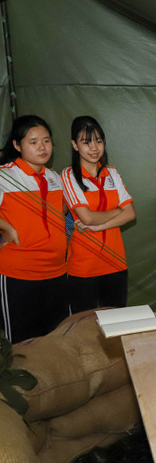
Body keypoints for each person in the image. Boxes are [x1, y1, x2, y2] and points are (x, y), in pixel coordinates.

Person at [0, 115, 69, 343]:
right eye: (33, 142)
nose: (42, 147)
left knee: (55, 341)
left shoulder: (54, 177)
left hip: (57, 273)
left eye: (46, 140)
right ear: (17, 145)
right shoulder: (5, 175)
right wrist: (6, 227)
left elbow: (61, 212)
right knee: (21, 346)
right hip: (19, 274)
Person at [61, 116, 136, 313]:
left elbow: (131, 214)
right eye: (86, 142)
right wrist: (118, 211)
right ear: (75, 145)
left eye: (99, 141)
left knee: (117, 324)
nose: (94, 148)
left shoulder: (112, 173)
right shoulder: (68, 175)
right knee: (83, 327)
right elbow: (87, 218)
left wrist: (100, 225)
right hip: (83, 267)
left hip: (116, 263)